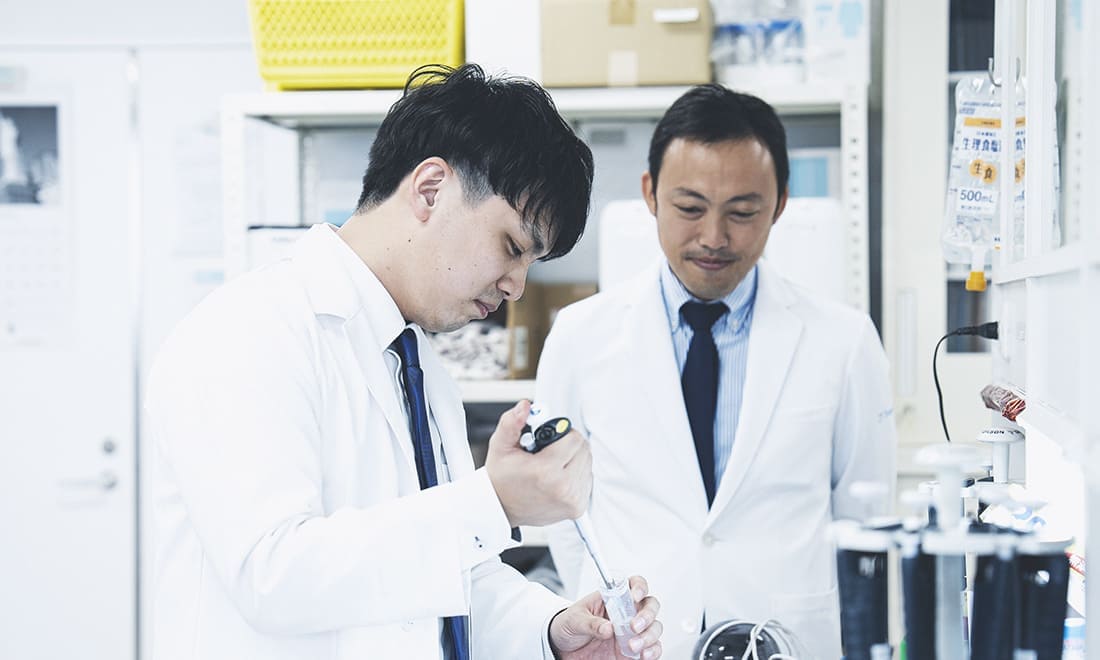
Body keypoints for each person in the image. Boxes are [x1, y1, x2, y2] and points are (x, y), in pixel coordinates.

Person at [144, 64, 664, 660]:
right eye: (512, 247)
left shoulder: (418, 368)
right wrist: (491, 502)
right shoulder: (249, 330)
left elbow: (443, 582)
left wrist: (550, 631)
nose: (517, 286)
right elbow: (272, 572)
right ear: (431, 189)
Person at [537, 85, 896, 659]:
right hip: (636, 643)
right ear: (651, 194)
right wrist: (613, 603)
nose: (713, 237)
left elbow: (866, 519)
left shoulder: (845, 341)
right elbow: (562, 510)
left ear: (779, 205)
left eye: (743, 212)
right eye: (689, 208)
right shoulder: (580, 336)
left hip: (788, 640)